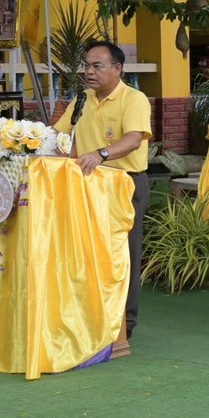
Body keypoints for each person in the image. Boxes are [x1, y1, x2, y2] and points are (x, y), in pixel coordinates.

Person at [54, 41, 153, 338]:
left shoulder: (133, 99)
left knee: (124, 255)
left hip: (125, 185)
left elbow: (134, 139)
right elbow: (61, 137)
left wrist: (101, 154)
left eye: (97, 66)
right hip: (86, 185)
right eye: (86, 66)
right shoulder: (82, 99)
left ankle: (124, 325)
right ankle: (92, 318)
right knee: (87, 252)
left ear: (117, 69)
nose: (89, 72)